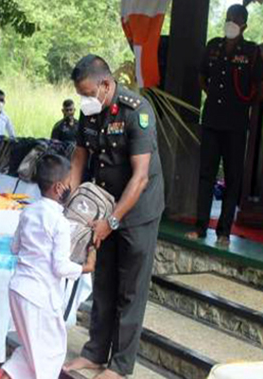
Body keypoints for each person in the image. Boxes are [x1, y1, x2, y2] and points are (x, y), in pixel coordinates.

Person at [64, 55, 165, 379]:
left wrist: (113, 222)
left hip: (138, 211)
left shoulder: (137, 111)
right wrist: (71, 207)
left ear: (106, 85)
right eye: (80, 94)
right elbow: (80, 157)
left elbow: (140, 178)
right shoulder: (89, 111)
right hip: (104, 207)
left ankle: (120, 366)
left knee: (130, 289)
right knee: (103, 281)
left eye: (88, 92)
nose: (84, 100)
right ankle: (94, 353)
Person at [2, 154, 97, 379]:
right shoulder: (60, 222)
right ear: (58, 187)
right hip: (39, 298)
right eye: (69, 182)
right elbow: (60, 267)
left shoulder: (28, 211)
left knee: (29, 350)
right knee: (50, 354)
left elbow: (14, 247)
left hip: (18, 290)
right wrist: (86, 267)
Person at [187, 4, 263, 247]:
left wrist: (243, 104)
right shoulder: (213, 47)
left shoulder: (251, 52)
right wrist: (211, 93)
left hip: (235, 123)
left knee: (232, 178)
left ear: (244, 25)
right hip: (212, 120)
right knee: (206, 175)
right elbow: (202, 76)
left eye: (236, 19)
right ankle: (200, 227)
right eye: (229, 18)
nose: (231, 22)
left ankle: (224, 231)